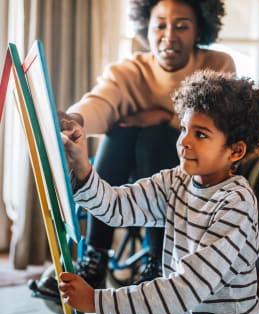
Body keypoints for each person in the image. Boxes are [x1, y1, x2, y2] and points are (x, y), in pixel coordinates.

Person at [59, 70, 259, 314]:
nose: (184, 141)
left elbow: (187, 288)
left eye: (201, 134)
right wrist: (81, 165)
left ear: (235, 151)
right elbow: (116, 207)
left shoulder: (236, 203)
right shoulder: (175, 181)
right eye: (184, 128)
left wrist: (96, 301)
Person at [63, 0, 236, 289]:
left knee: (153, 136)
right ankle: (96, 254)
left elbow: (218, 124)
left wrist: (166, 118)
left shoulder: (217, 65)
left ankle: (158, 259)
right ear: (146, 26)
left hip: (191, 165)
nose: (169, 35)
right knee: (119, 132)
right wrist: (75, 119)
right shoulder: (130, 70)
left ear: (199, 31)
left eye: (182, 26)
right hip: (132, 164)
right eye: (160, 25)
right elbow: (102, 100)